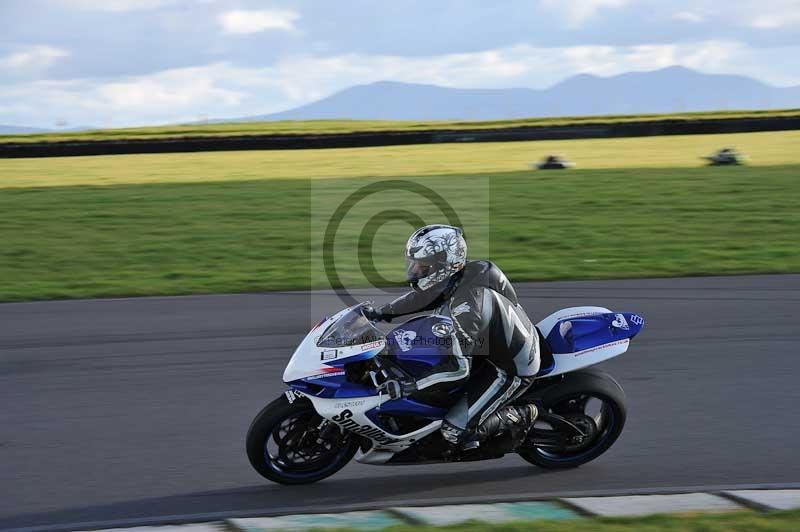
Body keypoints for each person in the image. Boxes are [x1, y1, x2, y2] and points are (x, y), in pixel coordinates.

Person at [364, 224, 542, 447]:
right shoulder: (456, 277)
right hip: (485, 346)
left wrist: (410, 386)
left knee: (454, 430)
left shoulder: (468, 308)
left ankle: (522, 415)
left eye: (422, 266)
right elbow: (423, 297)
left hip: (508, 367)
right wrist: (382, 312)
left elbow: (458, 370)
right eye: (415, 264)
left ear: (444, 264)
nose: (415, 271)